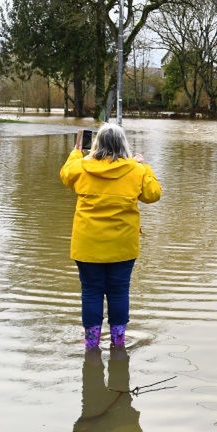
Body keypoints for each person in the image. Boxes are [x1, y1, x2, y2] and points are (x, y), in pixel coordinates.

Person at [60, 122, 162, 349]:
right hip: (122, 246)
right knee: (118, 292)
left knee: (91, 291)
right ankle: (118, 343)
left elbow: (66, 174)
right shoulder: (136, 171)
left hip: (87, 246)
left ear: (97, 144)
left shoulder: (82, 168)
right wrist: (145, 167)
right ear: (123, 144)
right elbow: (153, 194)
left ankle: (92, 344)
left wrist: (77, 151)